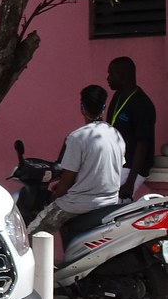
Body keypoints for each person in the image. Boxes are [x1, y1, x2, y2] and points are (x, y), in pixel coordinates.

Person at [28, 85, 124, 237]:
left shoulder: (78, 137)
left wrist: (54, 197)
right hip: (110, 201)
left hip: (80, 204)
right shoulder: (116, 135)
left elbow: (67, 179)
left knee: (33, 234)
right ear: (104, 107)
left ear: (82, 107)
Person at [107, 56, 156, 201]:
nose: (107, 78)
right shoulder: (118, 96)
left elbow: (143, 145)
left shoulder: (142, 104)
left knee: (116, 206)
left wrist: (130, 182)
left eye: (111, 74)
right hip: (118, 163)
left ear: (122, 75)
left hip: (132, 167)